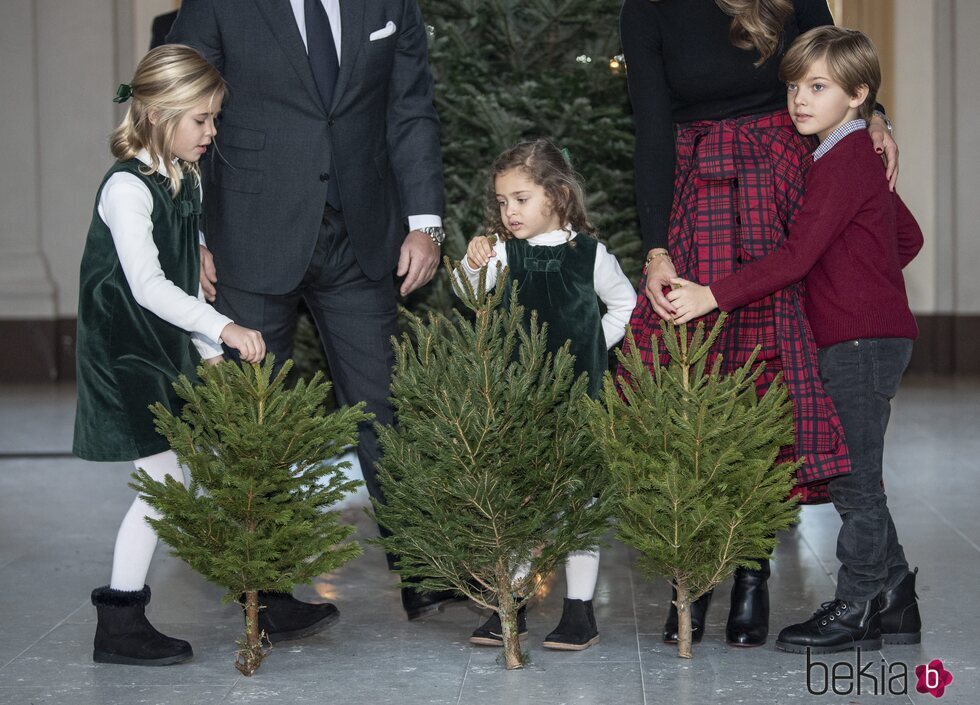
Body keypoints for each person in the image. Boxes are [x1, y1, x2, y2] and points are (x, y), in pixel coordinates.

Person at [619, 0, 900, 649]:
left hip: (782, 187)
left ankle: (752, 570)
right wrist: (657, 245)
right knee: (694, 382)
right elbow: (651, 125)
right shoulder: (647, 9)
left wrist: (877, 119)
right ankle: (696, 573)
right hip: (701, 195)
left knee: (769, 387)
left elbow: (835, 59)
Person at [168, 0, 453, 622]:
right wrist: (185, 236)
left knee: (385, 402)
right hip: (248, 233)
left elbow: (410, 108)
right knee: (255, 411)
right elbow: (174, 107)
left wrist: (425, 221)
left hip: (362, 234)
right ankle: (264, 589)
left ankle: (423, 568)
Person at [75, 45, 266, 666]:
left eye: (213, 119)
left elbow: (187, 266)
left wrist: (206, 346)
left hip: (161, 344)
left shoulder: (184, 174)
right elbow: (149, 285)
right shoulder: (126, 188)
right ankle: (119, 627)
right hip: (124, 350)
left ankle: (122, 622)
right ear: (158, 113)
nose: (211, 133)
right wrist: (225, 328)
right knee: (164, 483)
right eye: (201, 121)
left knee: (169, 483)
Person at [457, 139, 637, 651]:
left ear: (557, 195)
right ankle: (508, 603)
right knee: (518, 500)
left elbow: (626, 305)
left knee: (580, 504)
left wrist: (592, 344)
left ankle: (580, 612)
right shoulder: (502, 253)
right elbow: (467, 293)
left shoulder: (590, 254)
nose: (508, 211)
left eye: (520, 199)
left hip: (579, 398)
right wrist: (474, 261)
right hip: (518, 401)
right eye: (502, 202)